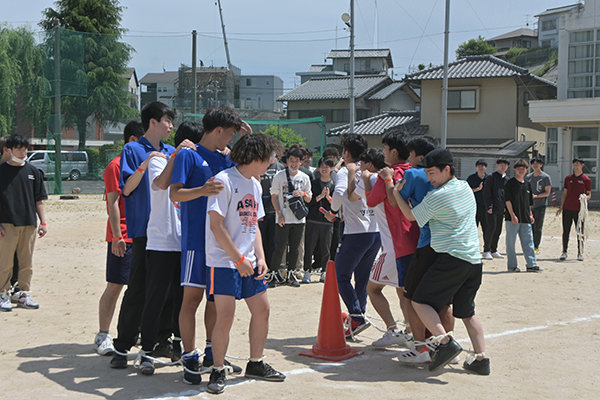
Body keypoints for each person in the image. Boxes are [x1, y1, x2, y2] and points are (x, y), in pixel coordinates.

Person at [170, 107, 250, 384]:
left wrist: (243, 137)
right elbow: (174, 193)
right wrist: (202, 190)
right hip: (195, 241)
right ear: (217, 131)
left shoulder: (225, 158)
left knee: (216, 300)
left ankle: (211, 350)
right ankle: (189, 355)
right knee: (191, 300)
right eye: (228, 134)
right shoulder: (188, 155)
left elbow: (246, 166)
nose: (229, 140)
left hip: (219, 244)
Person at [394, 148, 489, 375]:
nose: (429, 178)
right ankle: (481, 359)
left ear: (447, 169)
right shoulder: (465, 186)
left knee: (419, 300)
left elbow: (411, 216)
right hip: (473, 261)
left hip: (452, 258)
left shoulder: (437, 196)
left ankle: (445, 344)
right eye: (426, 173)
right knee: (467, 313)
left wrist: (396, 192)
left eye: (432, 173)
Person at [206, 133, 285, 394]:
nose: (272, 162)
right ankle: (217, 369)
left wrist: (260, 257)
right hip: (224, 261)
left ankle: (256, 361)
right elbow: (216, 226)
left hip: (249, 262)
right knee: (225, 317)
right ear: (255, 157)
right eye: (269, 157)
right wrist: (238, 259)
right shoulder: (224, 180)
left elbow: (255, 226)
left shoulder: (255, 184)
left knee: (262, 310)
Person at [110, 101, 177, 369]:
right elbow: (126, 189)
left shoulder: (172, 151)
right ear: (153, 122)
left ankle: (161, 339)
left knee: (169, 290)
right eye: (167, 121)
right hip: (144, 232)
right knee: (138, 288)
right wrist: (146, 163)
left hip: (170, 233)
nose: (170, 126)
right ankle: (123, 345)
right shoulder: (133, 149)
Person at [136, 123, 203, 376]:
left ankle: (178, 346)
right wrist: (176, 155)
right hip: (161, 241)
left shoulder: (195, 164)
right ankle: (147, 352)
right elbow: (159, 184)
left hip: (185, 242)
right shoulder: (160, 160)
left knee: (181, 298)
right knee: (155, 298)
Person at [94, 121, 144, 356]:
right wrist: (117, 236)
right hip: (122, 235)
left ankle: (136, 331)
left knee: (140, 286)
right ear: (133, 141)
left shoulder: (144, 166)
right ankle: (103, 334)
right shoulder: (115, 166)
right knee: (115, 285)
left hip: (142, 234)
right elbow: (112, 203)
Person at [364, 132, 418, 347]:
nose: (384, 153)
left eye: (385, 149)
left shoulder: (385, 175)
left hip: (393, 244)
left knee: (372, 289)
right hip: (414, 241)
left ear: (394, 152)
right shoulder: (414, 173)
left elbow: (371, 201)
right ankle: (410, 330)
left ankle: (392, 329)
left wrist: (367, 179)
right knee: (402, 290)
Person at [330, 134, 380, 338]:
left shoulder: (346, 170)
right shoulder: (370, 170)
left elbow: (340, 194)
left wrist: (333, 210)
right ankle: (359, 317)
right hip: (375, 232)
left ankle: (356, 315)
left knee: (340, 275)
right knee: (362, 278)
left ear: (346, 153)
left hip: (356, 232)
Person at [0, 135, 48, 312]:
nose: (23, 152)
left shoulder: (34, 172)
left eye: (25, 148)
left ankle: (23, 293)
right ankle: (3, 293)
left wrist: (42, 222)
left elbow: (39, 201)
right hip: (6, 225)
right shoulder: (1, 171)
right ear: (9, 150)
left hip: (29, 224)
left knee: (26, 262)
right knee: (5, 263)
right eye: (19, 149)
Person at [269, 146, 312, 287]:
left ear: (301, 162)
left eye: (297, 161)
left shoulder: (304, 177)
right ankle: (274, 275)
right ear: (287, 161)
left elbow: (309, 198)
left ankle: (291, 275)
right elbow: (274, 196)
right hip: (283, 218)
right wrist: (279, 214)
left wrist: (303, 194)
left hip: (299, 219)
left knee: (295, 248)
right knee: (279, 247)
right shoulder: (279, 176)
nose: (294, 164)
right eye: (291, 160)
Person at [302, 157, 336, 284]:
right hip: (313, 220)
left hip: (327, 222)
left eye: (327, 167)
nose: (324, 169)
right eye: (322, 166)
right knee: (309, 247)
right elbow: (309, 202)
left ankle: (324, 271)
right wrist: (320, 196)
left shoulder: (334, 185)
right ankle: (307, 271)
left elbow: (336, 205)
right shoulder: (314, 183)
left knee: (326, 248)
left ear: (331, 169)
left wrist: (328, 197)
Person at [504, 160, 541, 272]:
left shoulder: (527, 184)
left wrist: (530, 215)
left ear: (527, 170)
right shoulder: (510, 183)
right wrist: (512, 215)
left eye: (523, 168)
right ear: (515, 169)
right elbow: (507, 201)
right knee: (511, 243)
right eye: (519, 168)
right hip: (512, 219)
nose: (521, 170)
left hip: (525, 219)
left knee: (529, 242)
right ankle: (512, 265)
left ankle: (531, 264)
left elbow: (529, 203)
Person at [556, 158, 592, 261]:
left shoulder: (586, 179)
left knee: (580, 231)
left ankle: (580, 252)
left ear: (582, 165)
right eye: (574, 164)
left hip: (580, 210)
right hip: (567, 208)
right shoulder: (568, 178)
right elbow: (565, 193)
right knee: (565, 231)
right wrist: (561, 207)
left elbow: (589, 194)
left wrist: (585, 197)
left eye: (578, 164)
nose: (576, 166)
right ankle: (564, 252)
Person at [0, 136, 21, 296]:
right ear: (6, 150)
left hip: (15, 222)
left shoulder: (18, 169)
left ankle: (14, 286)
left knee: (16, 257)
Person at [258, 154, 284, 272]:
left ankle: (272, 266)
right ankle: (262, 264)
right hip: (261, 207)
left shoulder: (279, 167)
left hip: (275, 208)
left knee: (273, 240)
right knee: (262, 239)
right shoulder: (259, 165)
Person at [482, 159, 509, 260]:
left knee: (498, 229)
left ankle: (494, 249)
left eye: (505, 165)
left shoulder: (507, 179)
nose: (503, 166)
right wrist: (489, 206)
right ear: (497, 165)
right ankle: (486, 250)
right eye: (501, 164)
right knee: (491, 228)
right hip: (492, 208)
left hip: (501, 209)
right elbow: (487, 193)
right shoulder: (491, 177)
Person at [526, 158, 551, 254]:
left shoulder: (545, 177)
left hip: (540, 205)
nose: (535, 165)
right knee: (529, 226)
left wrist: (536, 196)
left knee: (538, 227)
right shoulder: (528, 177)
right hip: (530, 206)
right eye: (533, 164)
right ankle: (530, 246)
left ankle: (536, 246)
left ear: (541, 165)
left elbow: (547, 192)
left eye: (537, 164)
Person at [467, 160, 488, 240]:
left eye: (483, 166)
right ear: (476, 167)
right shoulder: (471, 178)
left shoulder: (489, 178)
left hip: (485, 207)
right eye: (479, 166)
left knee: (486, 229)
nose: (481, 168)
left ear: (486, 168)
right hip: (473, 207)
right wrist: (477, 189)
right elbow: (466, 191)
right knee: (472, 229)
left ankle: (486, 249)